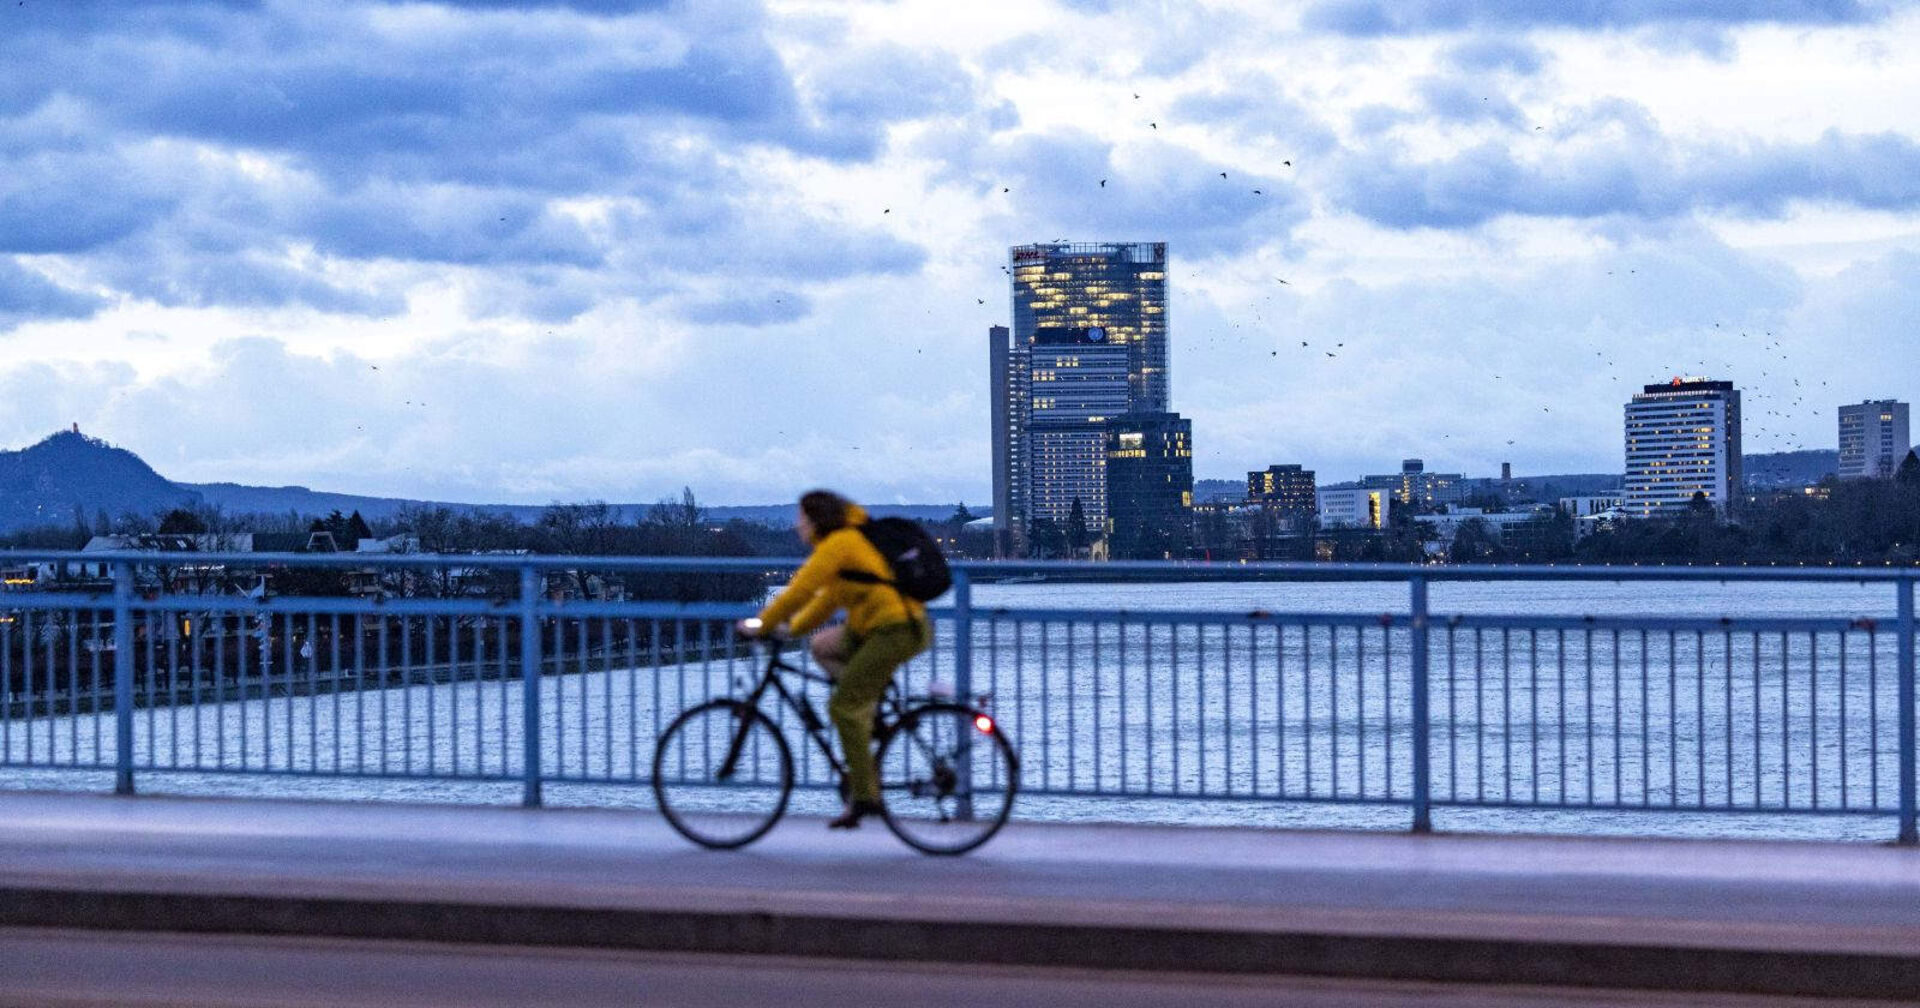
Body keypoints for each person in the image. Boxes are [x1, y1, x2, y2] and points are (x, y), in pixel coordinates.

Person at [737, 490, 930, 829]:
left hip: (895, 629)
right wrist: (791, 629)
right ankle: (868, 710)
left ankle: (866, 796)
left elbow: (800, 591)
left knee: (842, 708)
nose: (797, 525)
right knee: (822, 646)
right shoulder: (845, 545)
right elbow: (826, 602)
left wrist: (764, 625)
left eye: (801, 518)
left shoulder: (839, 544)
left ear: (815, 520)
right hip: (873, 626)